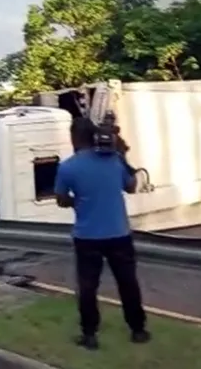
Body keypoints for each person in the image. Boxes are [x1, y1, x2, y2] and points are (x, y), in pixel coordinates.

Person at [54, 117, 150, 350]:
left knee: (88, 287)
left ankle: (89, 335)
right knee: (127, 283)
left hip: (87, 237)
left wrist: (76, 202)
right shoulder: (115, 160)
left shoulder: (68, 167)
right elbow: (131, 186)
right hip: (119, 233)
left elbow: (61, 199)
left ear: (75, 137)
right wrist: (122, 153)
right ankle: (137, 330)